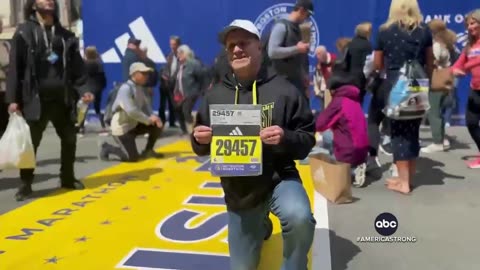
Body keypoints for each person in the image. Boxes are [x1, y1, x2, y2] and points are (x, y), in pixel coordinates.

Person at [191, 19, 316, 269]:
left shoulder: (285, 90)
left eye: (243, 43)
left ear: (259, 47)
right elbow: (199, 143)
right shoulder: (215, 95)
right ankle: (261, 224)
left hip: (279, 178)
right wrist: (199, 140)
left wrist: (285, 137)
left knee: (299, 217)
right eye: (231, 46)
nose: (237, 49)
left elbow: (307, 139)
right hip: (241, 192)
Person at [6, 0, 94, 201]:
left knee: (70, 139)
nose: (49, 2)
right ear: (35, 4)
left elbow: (78, 69)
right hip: (35, 100)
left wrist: (84, 90)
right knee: (31, 145)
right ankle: (26, 183)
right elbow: (15, 68)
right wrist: (13, 99)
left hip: (62, 100)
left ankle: (68, 178)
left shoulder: (65, 36)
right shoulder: (24, 33)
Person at [373, 0, 434, 194]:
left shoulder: (385, 31)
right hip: (418, 84)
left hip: (396, 86)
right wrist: (427, 82)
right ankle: (406, 178)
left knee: (398, 133)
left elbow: (377, 64)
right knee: (413, 131)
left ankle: (403, 182)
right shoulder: (424, 31)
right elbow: (430, 62)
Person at [99, 62, 164, 162]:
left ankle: (148, 150)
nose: (146, 76)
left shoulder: (139, 87)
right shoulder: (126, 89)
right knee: (132, 158)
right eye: (143, 73)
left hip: (133, 125)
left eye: (147, 73)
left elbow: (146, 107)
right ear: (134, 74)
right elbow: (131, 111)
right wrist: (148, 120)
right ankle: (107, 148)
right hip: (122, 128)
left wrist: (154, 117)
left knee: (157, 125)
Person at [315, 85, 369, 187]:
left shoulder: (338, 102)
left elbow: (320, 124)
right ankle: (357, 166)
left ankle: (349, 170)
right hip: (363, 150)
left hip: (349, 151)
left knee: (326, 135)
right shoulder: (355, 100)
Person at [451, 9, 480, 169]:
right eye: (468, 24)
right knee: (471, 123)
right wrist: (455, 70)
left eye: (473, 23)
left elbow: (474, 62)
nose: (470, 27)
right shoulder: (469, 45)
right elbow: (458, 65)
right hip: (475, 89)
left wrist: (466, 68)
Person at [266, 0, 314, 97]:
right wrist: (297, 49)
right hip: (280, 82)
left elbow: (298, 58)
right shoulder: (281, 26)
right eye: (308, 15)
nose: (307, 19)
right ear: (301, 10)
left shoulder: (299, 29)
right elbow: (272, 52)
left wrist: (303, 76)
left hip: (295, 83)